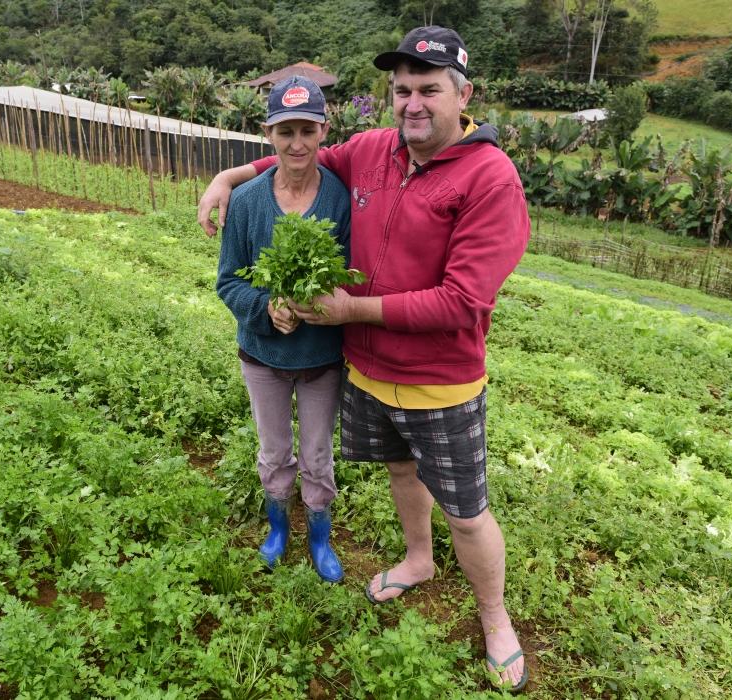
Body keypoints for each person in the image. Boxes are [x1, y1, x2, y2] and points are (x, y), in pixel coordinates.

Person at [200, 27, 531, 693]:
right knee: (402, 475)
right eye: (402, 89)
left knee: (466, 509)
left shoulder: (490, 177)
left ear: (463, 95)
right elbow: (295, 160)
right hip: (367, 372)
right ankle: (417, 561)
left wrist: (351, 312)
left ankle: (494, 618)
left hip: (440, 379)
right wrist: (228, 175)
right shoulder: (377, 149)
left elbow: (462, 301)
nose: (413, 102)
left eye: (429, 89)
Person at [215, 76, 351, 584]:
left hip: (320, 359)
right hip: (263, 360)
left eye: (307, 130)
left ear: (323, 131)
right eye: (285, 131)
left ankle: (319, 536)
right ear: (268, 133)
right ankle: (278, 529)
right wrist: (264, 306)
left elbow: (355, 274)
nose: (297, 143)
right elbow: (228, 281)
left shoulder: (339, 199)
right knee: (274, 451)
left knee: (317, 454)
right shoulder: (248, 201)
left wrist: (330, 302)